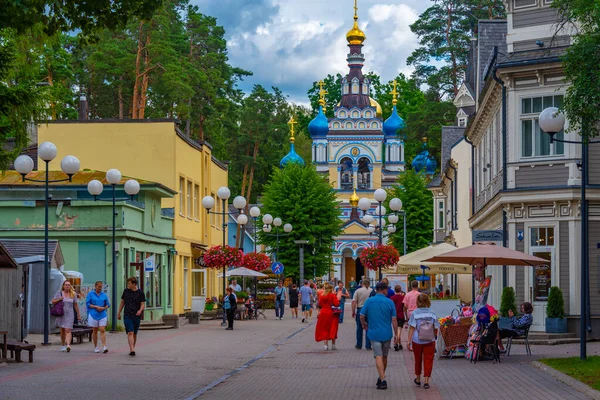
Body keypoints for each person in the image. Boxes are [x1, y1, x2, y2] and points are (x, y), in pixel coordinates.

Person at [360, 282, 398, 390]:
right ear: (384, 290)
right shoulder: (390, 302)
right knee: (384, 356)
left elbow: (362, 315)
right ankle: (382, 377)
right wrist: (396, 334)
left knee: (378, 355)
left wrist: (364, 324)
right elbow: (394, 320)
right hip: (386, 333)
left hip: (374, 333)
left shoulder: (369, 301)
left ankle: (383, 379)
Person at [408, 294, 439, 390]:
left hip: (417, 340)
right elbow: (436, 327)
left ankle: (418, 379)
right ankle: (426, 381)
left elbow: (412, 327)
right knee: (428, 359)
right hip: (430, 340)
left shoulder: (415, 313)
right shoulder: (432, 313)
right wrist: (435, 337)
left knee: (417, 359)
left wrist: (409, 340)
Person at [117, 277, 146, 356]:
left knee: (134, 333)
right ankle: (132, 349)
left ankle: (132, 347)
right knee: (130, 332)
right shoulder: (126, 291)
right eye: (128, 283)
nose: (128, 285)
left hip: (136, 315)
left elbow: (142, 304)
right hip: (127, 314)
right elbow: (122, 302)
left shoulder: (140, 292)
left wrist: (140, 310)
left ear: (134, 284)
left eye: (129, 283)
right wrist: (119, 312)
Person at [52, 281, 81, 352]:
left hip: (70, 314)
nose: (67, 286)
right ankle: (63, 345)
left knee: (68, 330)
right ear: (63, 286)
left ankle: (68, 345)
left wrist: (78, 314)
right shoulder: (59, 293)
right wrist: (59, 299)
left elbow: (75, 305)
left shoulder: (73, 294)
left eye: (69, 285)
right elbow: (53, 301)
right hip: (61, 314)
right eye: (66, 285)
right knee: (62, 330)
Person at [314, 283, 342, 350]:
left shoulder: (322, 295)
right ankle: (333, 345)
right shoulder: (332, 295)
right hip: (331, 313)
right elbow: (336, 303)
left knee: (324, 328)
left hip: (323, 313)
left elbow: (320, 304)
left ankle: (325, 346)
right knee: (333, 328)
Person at [86, 281, 110, 353]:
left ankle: (104, 346)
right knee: (95, 330)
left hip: (102, 314)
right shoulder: (90, 294)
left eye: (101, 287)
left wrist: (103, 308)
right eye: (99, 286)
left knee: (102, 329)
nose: (100, 288)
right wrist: (96, 306)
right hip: (93, 314)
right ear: (95, 286)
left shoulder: (104, 295)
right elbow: (88, 304)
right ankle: (96, 346)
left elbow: (108, 304)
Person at [352, 278, 373, 350]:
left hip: (360, 309)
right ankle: (368, 345)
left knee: (359, 328)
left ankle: (359, 344)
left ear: (362, 284)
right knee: (368, 327)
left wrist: (353, 311)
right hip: (370, 310)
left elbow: (354, 301)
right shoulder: (372, 291)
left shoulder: (358, 291)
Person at [390, 285, 406, 351]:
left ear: (395, 290)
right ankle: (397, 342)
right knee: (399, 329)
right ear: (400, 290)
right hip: (400, 315)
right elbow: (404, 307)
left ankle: (398, 343)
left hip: (393, 315)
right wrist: (406, 316)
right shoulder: (402, 298)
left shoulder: (392, 298)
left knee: (395, 330)